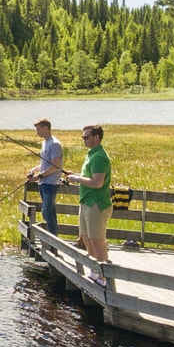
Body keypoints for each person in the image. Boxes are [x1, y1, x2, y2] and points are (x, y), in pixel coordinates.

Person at [63, 125, 113, 277]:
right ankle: (94, 272)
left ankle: (104, 277)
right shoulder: (91, 154)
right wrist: (76, 175)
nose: (83, 140)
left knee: (97, 240)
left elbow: (97, 182)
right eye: (82, 137)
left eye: (86, 137)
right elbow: (89, 176)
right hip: (86, 202)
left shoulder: (99, 157)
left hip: (96, 204)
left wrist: (77, 179)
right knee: (86, 238)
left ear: (96, 137)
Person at [25, 118, 63, 237]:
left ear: (46, 128)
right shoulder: (45, 142)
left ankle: (53, 239)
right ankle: (53, 237)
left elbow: (55, 166)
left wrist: (39, 175)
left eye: (39, 129)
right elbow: (44, 163)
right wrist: (33, 170)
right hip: (43, 182)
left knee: (46, 211)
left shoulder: (54, 144)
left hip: (51, 183)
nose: (37, 132)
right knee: (49, 211)